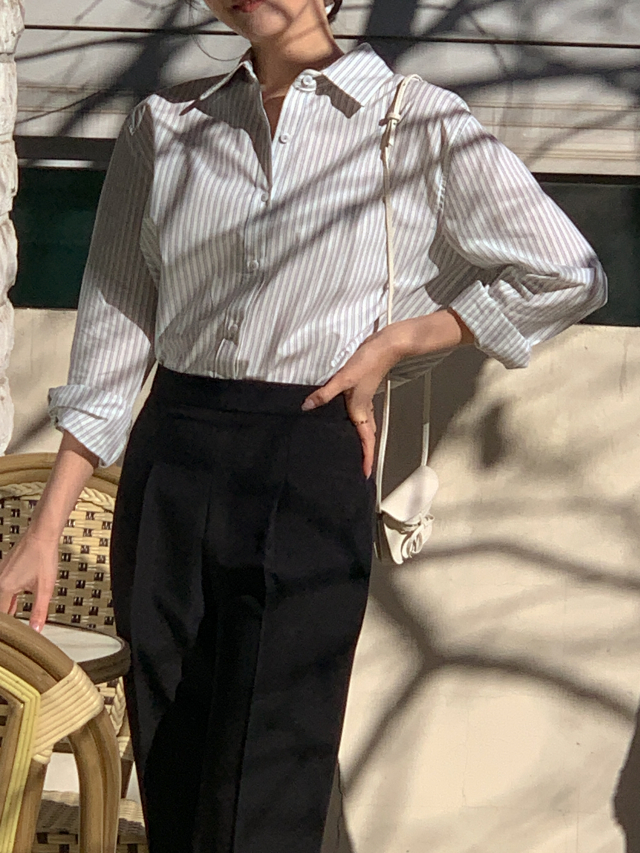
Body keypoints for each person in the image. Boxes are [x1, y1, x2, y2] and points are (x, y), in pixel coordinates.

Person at [0, 1, 606, 851]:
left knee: (272, 773)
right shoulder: (165, 126)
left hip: (310, 448)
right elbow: (115, 338)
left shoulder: (414, 123)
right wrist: (46, 528)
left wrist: (399, 341)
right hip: (173, 451)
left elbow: (566, 272)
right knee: (172, 753)